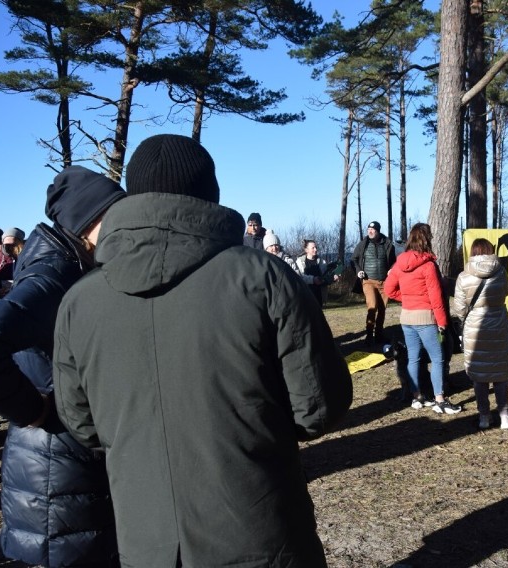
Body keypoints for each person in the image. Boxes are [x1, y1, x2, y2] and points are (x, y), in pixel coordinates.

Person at [52, 134, 352, 567]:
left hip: (146, 541)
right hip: (261, 534)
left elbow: (83, 424)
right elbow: (319, 407)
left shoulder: (79, 302)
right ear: (210, 194)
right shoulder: (264, 278)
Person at [0, 166, 123, 567]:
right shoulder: (53, 274)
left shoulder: (74, 266)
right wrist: (38, 411)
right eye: (114, 214)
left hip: (68, 463)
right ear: (87, 221)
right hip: (55, 465)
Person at [385, 223, 460, 415]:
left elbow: (389, 289)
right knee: (438, 358)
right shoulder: (428, 265)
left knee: (413, 358)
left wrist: (408, 299)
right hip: (426, 319)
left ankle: (417, 396)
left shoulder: (399, 263)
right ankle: (440, 400)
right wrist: (443, 323)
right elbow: (436, 298)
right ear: (427, 239)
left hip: (407, 318)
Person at [451, 238, 508, 430]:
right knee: (501, 375)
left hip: (475, 327)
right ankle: (505, 417)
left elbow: (459, 309)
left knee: (479, 376)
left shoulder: (463, 276)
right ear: (490, 251)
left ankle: (484, 417)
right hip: (499, 324)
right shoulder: (501, 271)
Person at [351, 220, 396, 345]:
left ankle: (379, 334)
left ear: (378, 231)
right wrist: (358, 270)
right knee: (372, 306)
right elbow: (353, 259)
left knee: (382, 309)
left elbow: (394, 261)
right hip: (368, 281)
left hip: (384, 282)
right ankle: (369, 335)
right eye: (368, 230)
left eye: (373, 230)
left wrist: (392, 269)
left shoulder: (388, 244)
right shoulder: (363, 244)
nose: (370, 231)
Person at [296, 239, 339, 305]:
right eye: (313, 248)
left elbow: (325, 277)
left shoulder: (322, 262)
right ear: (306, 250)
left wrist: (333, 278)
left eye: (316, 247)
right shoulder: (299, 262)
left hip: (319, 296)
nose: (315, 249)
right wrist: (313, 279)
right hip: (305, 296)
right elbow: (299, 277)